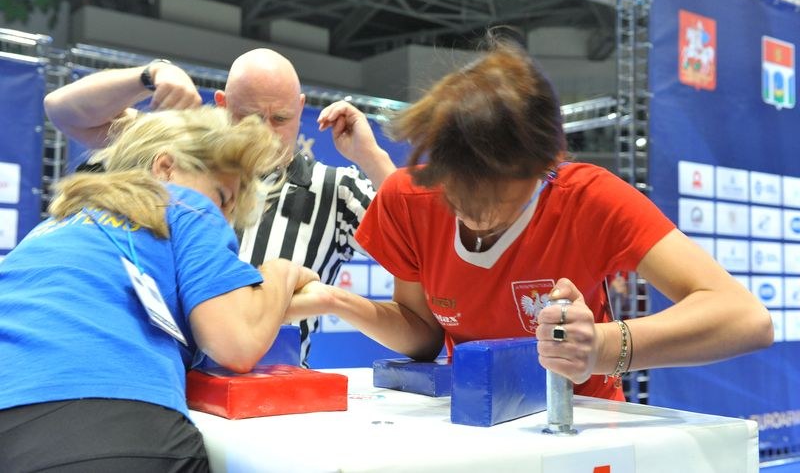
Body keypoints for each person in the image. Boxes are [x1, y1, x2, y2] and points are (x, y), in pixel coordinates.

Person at [285, 35, 774, 400]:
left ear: (545, 165)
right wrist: (335, 300)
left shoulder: (588, 198)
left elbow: (746, 318)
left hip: (586, 431)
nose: (473, 218)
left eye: (495, 199)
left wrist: (603, 345)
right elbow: (423, 336)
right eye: (456, 195)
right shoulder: (408, 196)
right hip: (475, 423)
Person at [0, 107, 318, 472]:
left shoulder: (54, 226)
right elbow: (236, 342)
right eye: (222, 196)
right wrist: (281, 272)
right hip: (108, 426)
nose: (225, 219)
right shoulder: (183, 203)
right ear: (165, 168)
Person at [44, 48, 397, 365]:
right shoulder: (181, 153)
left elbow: (420, 239)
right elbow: (63, 111)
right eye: (251, 117)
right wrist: (151, 74)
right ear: (223, 104)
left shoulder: (337, 188)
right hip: (164, 378)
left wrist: (372, 157)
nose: (266, 134)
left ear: (301, 108)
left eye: (281, 119)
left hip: (273, 393)